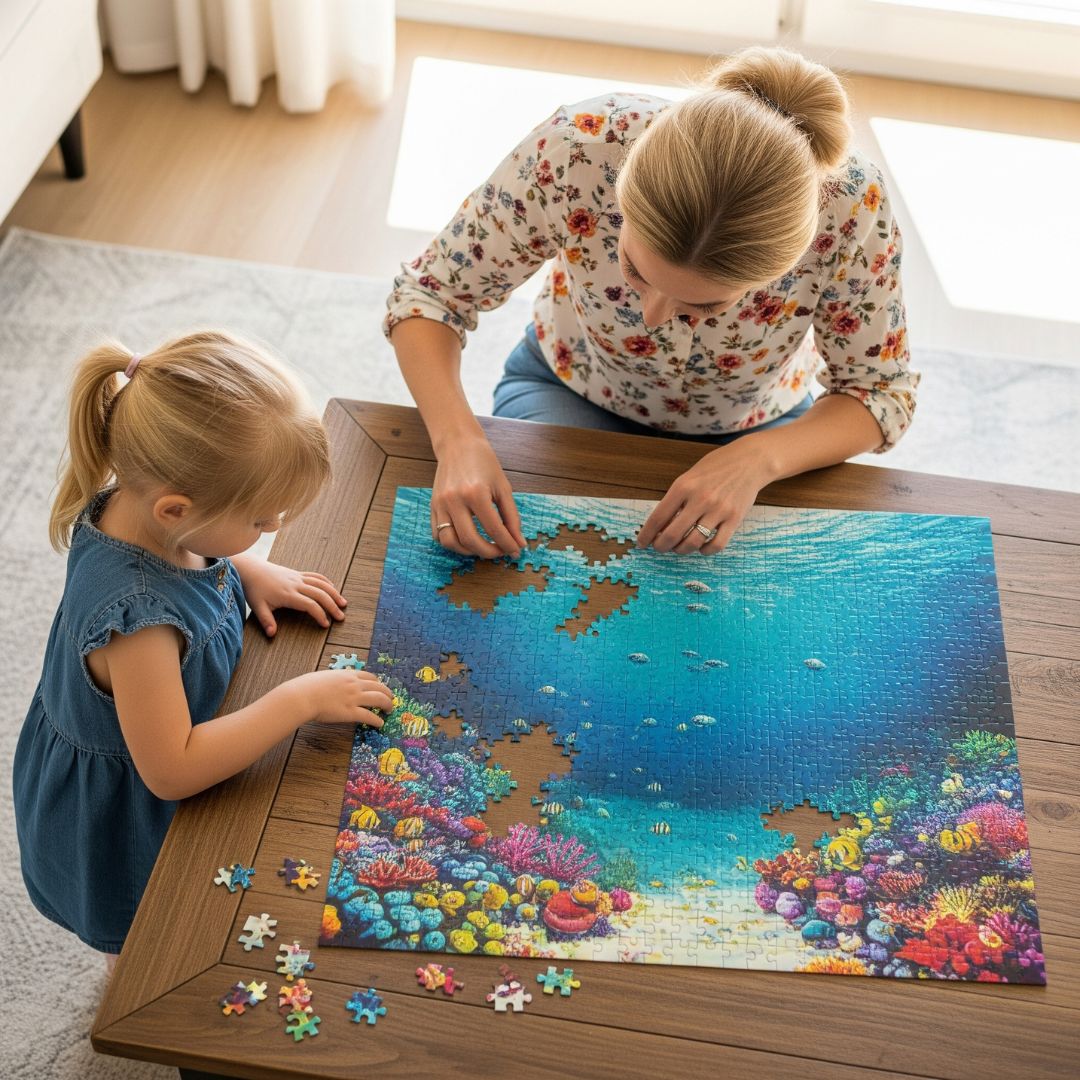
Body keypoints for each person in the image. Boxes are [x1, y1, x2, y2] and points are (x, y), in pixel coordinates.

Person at [386, 46, 919, 558]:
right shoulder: (578, 148)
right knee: (530, 555)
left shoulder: (851, 208)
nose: (652, 318)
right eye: (635, 271)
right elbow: (431, 295)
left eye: (707, 307)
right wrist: (457, 440)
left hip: (763, 423)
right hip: (571, 388)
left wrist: (758, 460)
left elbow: (879, 392)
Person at [12, 330, 392, 970]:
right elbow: (173, 769)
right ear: (176, 509)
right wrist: (298, 700)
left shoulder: (145, 511)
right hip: (128, 808)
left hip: (157, 736)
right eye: (261, 520)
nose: (273, 531)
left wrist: (246, 568)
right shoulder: (138, 624)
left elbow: (202, 541)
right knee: (156, 943)